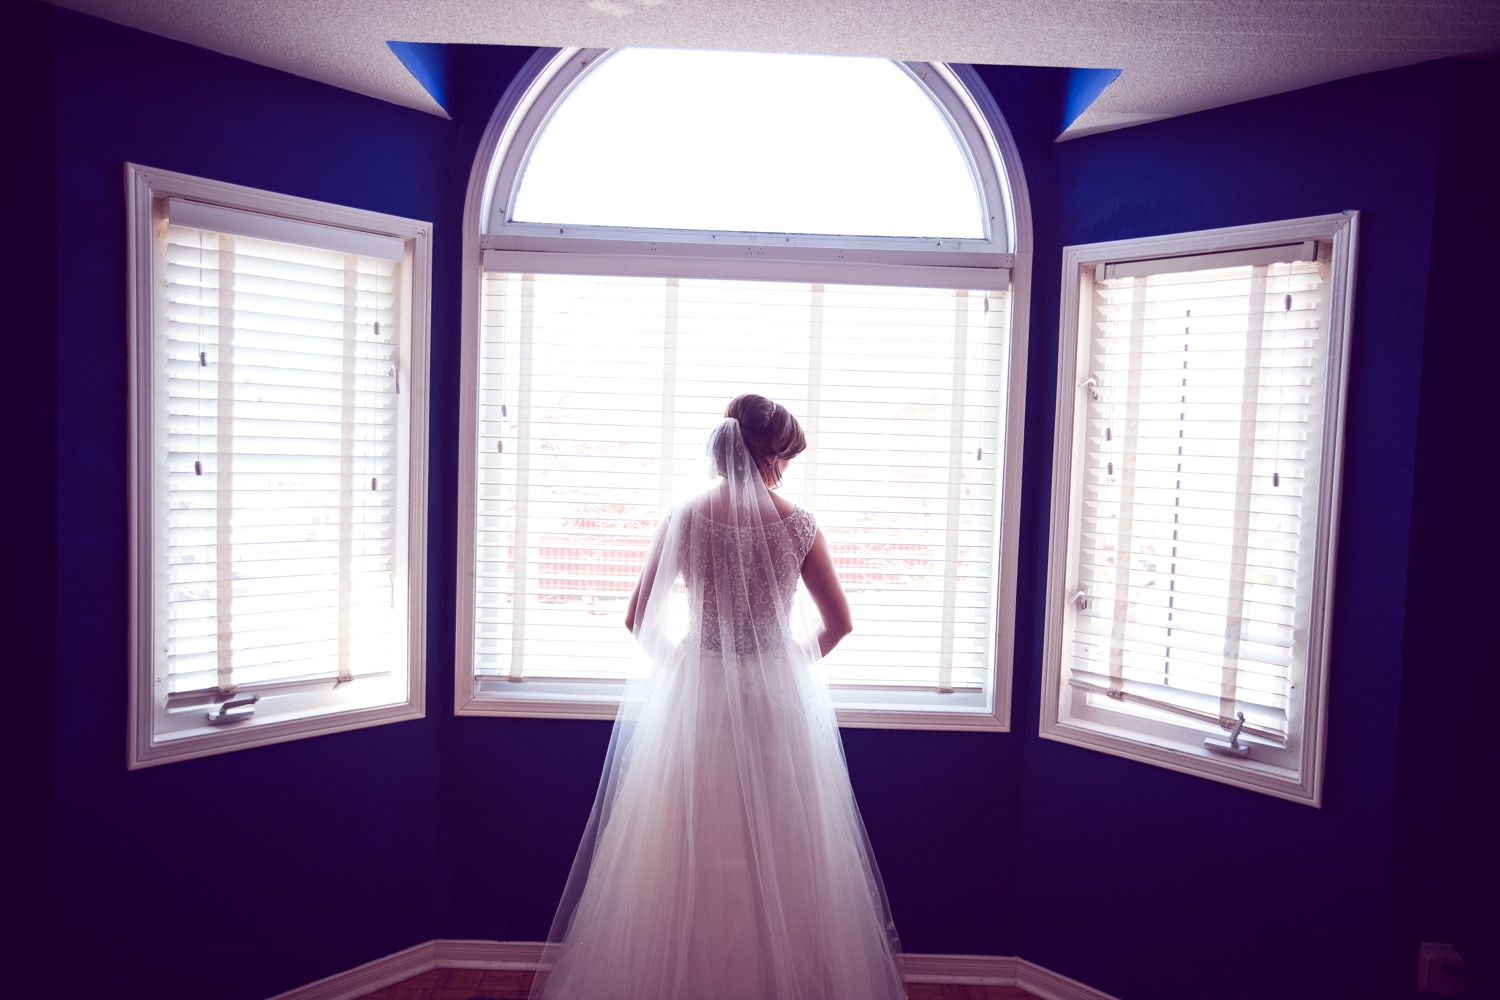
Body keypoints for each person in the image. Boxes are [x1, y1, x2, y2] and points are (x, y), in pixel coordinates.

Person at [530, 394, 906, 1000]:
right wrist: (784, 665)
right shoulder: (799, 525)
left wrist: (687, 668)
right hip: (774, 699)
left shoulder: (684, 517)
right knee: (780, 843)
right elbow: (839, 624)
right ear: (769, 456)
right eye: (786, 457)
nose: (787, 469)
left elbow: (637, 619)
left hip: (699, 696)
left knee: (689, 839)